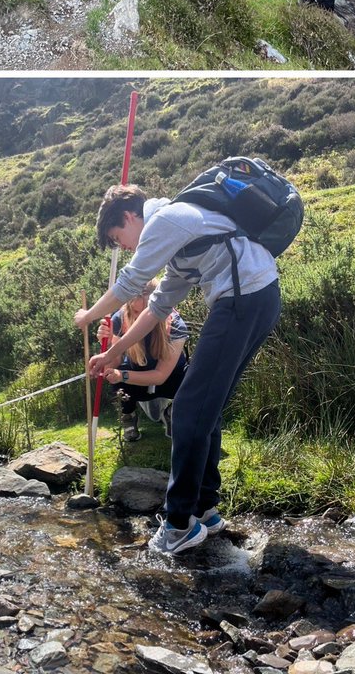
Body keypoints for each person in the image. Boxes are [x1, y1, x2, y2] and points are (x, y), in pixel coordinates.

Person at [76, 183, 280, 556]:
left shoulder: (167, 219)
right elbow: (156, 307)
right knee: (206, 408)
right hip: (257, 297)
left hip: (241, 298)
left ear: (129, 216)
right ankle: (205, 510)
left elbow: (130, 283)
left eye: (117, 237)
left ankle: (178, 524)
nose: (122, 247)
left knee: (188, 408)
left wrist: (88, 316)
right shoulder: (182, 241)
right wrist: (113, 353)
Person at [96, 278, 189, 442]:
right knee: (116, 380)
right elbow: (113, 364)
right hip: (136, 379)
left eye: (147, 312)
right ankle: (128, 416)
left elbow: (160, 375)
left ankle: (174, 412)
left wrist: (122, 375)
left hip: (169, 379)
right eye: (136, 313)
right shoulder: (120, 318)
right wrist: (107, 342)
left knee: (193, 379)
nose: (141, 320)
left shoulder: (175, 324)